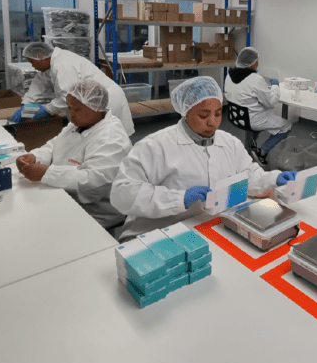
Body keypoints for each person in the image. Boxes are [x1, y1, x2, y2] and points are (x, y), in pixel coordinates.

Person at [110, 76, 299, 242]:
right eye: (203, 115)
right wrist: (179, 199)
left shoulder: (229, 142)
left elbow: (248, 174)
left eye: (218, 113)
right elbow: (122, 193)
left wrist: (273, 179)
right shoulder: (154, 146)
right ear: (185, 111)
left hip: (208, 227)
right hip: (156, 233)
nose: (213, 122)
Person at [15, 80, 132, 229]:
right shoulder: (79, 124)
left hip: (94, 213)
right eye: (69, 108)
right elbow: (54, 145)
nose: (71, 114)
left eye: (76, 109)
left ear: (95, 107)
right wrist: (35, 156)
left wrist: (46, 173)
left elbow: (94, 182)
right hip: (64, 195)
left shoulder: (111, 139)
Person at [9, 42, 134, 136]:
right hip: (93, 101)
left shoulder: (62, 64)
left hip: (106, 101)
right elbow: (38, 84)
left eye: (32, 62)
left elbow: (67, 97)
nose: (33, 66)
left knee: (111, 138)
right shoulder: (51, 65)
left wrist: (47, 109)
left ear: (41, 57)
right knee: (98, 139)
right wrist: (26, 104)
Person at [224, 47, 291, 165]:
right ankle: (262, 152)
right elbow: (271, 102)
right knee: (286, 126)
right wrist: (275, 85)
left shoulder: (229, 75)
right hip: (253, 120)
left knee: (262, 112)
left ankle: (251, 145)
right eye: (257, 61)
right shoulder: (255, 79)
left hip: (235, 116)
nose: (258, 63)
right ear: (253, 63)